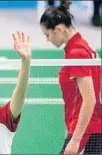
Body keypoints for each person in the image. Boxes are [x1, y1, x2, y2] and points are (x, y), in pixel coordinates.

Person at [40, 1, 102, 154]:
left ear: (59, 29)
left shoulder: (77, 53)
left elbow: (90, 99)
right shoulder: (82, 46)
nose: (48, 40)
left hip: (85, 131)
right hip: (89, 127)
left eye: (48, 35)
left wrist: (75, 140)